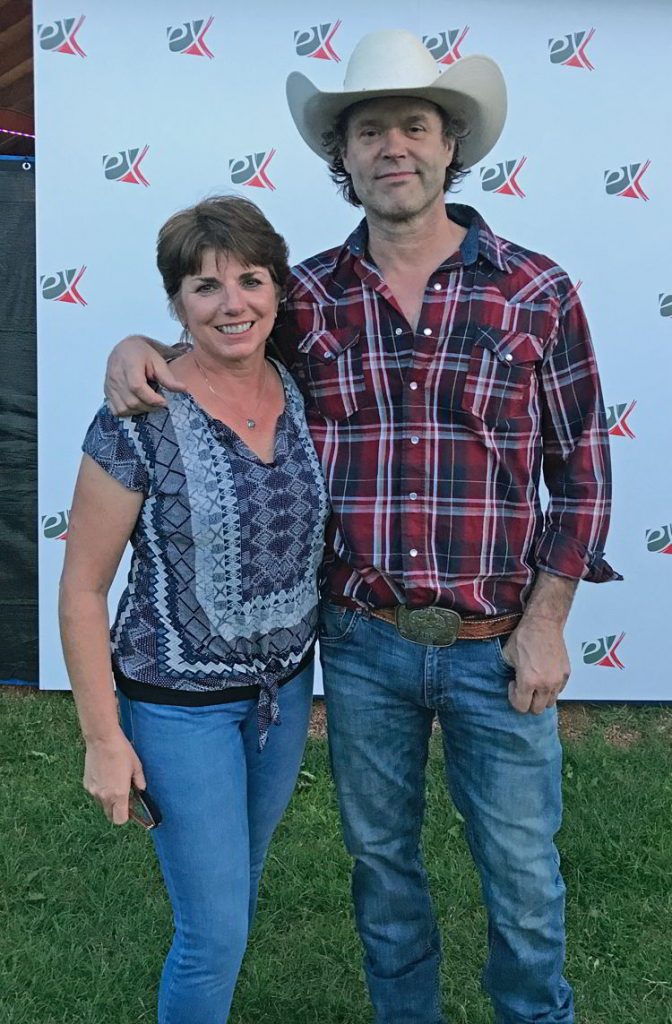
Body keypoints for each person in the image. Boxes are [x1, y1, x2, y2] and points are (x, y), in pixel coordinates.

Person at [103, 30, 620, 1024]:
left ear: (449, 145)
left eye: (415, 126)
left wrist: (550, 617)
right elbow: (222, 344)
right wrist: (137, 346)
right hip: (363, 645)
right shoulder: (309, 298)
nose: (394, 146)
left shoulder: (537, 290)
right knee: (384, 874)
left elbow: (584, 466)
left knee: (524, 880)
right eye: (369, 128)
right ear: (341, 157)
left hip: (496, 641)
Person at [59, 195, 330, 1024]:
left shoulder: (302, 385)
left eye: (250, 280)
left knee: (236, 901)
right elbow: (81, 589)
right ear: (175, 302)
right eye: (204, 287)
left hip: (281, 702)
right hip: (176, 711)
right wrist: (104, 740)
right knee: (211, 935)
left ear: (278, 291)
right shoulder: (137, 416)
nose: (232, 303)